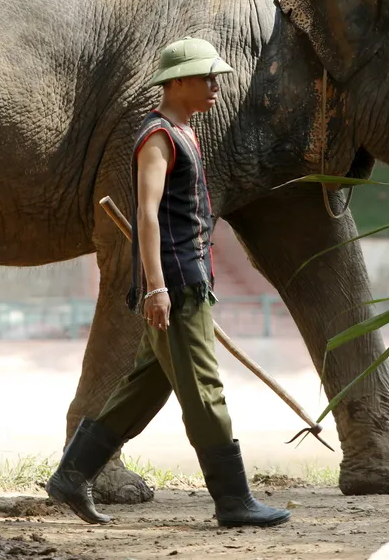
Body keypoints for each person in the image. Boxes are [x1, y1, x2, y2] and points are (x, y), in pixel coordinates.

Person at [45, 37, 292, 528]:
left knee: (143, 389)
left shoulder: (185, 132)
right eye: (206, 77)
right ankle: (233, 501)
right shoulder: (157, 137)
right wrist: (156, 287)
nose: (215, 86)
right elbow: (147, 213)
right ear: (176, 82)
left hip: (188, 278)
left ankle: (73, 475)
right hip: (175, 283)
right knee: (205, 391)